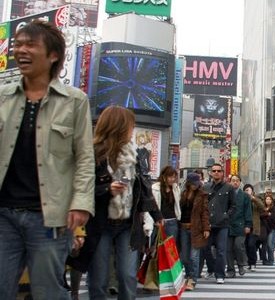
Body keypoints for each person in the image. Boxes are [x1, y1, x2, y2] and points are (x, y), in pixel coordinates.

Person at [0, 20, 94, 300]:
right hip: (3, 213)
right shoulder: (3, 96)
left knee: (48, 292)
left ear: (53, 55)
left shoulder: (74, 101)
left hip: (50, 218)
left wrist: (80, 205)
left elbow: (84, 158)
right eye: (18, 44)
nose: (21, 50)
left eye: (30, 45)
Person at [73, 106, 163, 299]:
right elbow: (81, 186)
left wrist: (157, 216)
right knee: (99, 278)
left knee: (127, 275)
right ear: (119, 126)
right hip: (100, 223)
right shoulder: (93, 152)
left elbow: (144, 188)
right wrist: (107, 190)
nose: (133, 129)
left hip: (128, 224)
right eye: (130, 125)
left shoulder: (133, 154)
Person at [204, 163, 236, 284]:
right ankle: (211, 268)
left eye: (219, 171)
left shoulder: (229, 188)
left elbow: (233, 206)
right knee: (206, 249)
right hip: (208, 224)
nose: (216, 173)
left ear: (222, 173)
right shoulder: (206, 187)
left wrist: (226, 215)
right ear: (211, 173)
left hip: (222, 224)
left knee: (221, 250)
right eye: (214, 171)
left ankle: (220, 274)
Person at [179, 172, 209, 291]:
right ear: (189, 183)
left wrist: (206, 228)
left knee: (194, 256)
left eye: (197, 184)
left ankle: (193, 279)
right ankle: (187, 275)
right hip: (183, 227)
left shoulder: (202, 195)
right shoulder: (183, 194)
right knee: (185, 256)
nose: (195, 186)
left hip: (196, 228)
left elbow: (205, 213)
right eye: (193, 183)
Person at [226, 175, 252, 278]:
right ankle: (231, 269)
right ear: (230, 182)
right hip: (228, 225)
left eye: (237, 181)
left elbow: (248, 211)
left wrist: (248, 225)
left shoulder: (245, 196)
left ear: (240, 182)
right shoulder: (227, 194)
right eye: (233, 181)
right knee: (228, 248)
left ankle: (241, 265)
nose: (235, 182)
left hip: (241, 225)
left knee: (238, 245)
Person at [146, 166, 180, 241]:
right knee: (157, 248)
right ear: (164, 176)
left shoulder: (176, 188)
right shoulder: (155, 188)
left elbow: (177, 204)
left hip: (172, 221)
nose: (173, 179)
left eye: (174, 177)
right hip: (158, 221)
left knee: (170, 248)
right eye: (170, 177)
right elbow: (151, 205)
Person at [243, 183, 265, 272]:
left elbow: (262, 207)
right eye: (246, 190)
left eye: (249, 190)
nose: (247, 192)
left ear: (252, 191)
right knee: (245, 245)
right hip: (244, 226)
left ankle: (253, 263)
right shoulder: (242, 199)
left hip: (254, 226)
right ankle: (249, 262)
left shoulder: (256, 199)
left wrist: (253, 199)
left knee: (251, 244)